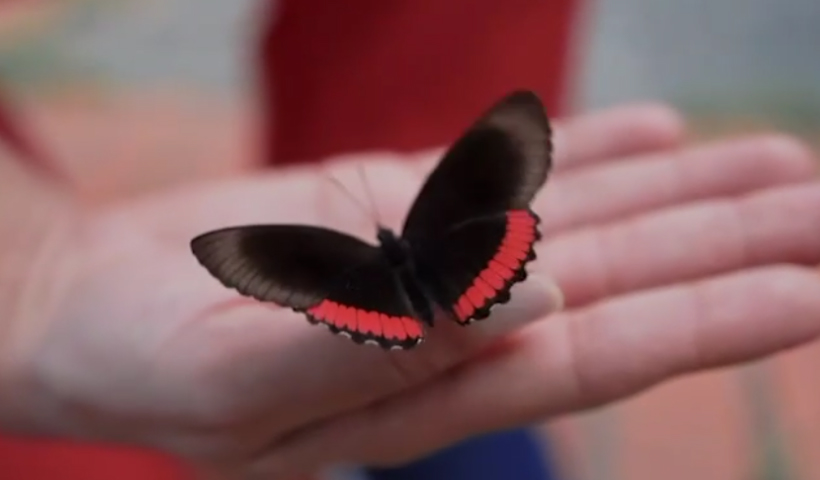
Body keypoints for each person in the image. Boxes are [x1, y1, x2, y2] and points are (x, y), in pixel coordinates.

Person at [2, 87, 820, 480]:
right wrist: (33, 273)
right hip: (459, 255)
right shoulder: (354, 237)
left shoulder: (325, 252)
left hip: (390, 268)